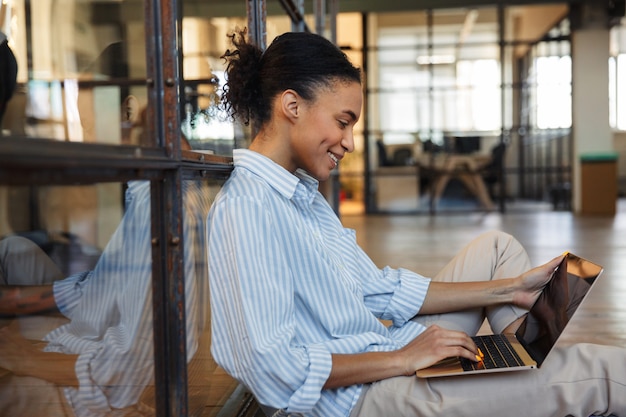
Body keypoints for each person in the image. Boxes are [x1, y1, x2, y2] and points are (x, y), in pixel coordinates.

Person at [206, 29, 626, 417]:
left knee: (497, 250)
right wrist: (402, 359)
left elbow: (380, 291)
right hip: (361, 399)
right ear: (292, 105)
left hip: (384, 355)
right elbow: (273, 370)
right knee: (600, 371)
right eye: (343, 121)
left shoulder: (302, 197)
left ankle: (519, 368)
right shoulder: (249, 209)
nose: (350, 142)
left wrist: (510, 290)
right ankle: (532, 383)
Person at [0, 177, 214, 416]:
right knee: (14, 249)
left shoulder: (158, 207)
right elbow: (99, 290)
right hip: (94, 346)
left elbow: (126, 372)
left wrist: (26, 360)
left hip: (100, 400)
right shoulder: (153, 192)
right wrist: (15, 300)